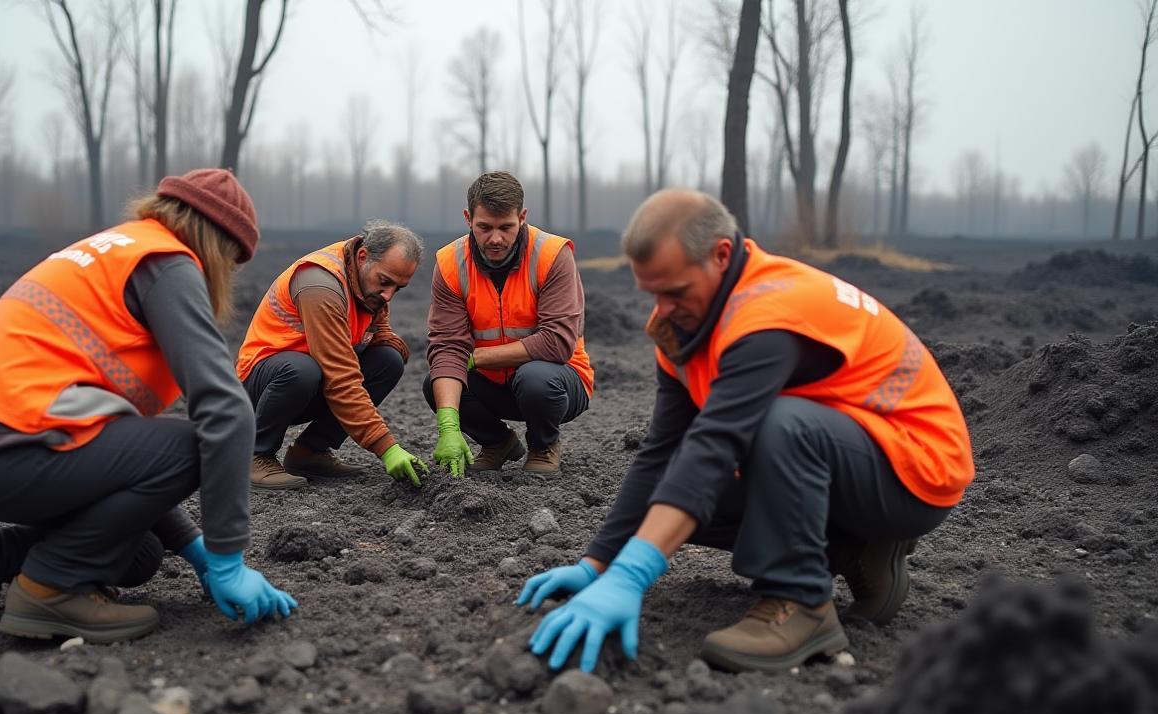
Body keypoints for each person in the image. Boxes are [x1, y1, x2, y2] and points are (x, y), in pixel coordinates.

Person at [519, 189, 974, 674]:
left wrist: (634, 574)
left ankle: (800, 603)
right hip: (845, 461)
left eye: (675, 291)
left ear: (721, 254)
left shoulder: (767, 313)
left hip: (916, 473)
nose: (663, 309)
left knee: (779, 425)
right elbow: (663, 452)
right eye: (652, 293)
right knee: (683, 488)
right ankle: (854, 547)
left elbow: (715, 444)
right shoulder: (683, 328)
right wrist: (600, 564)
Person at [0, 169, 295, 644]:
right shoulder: (168, 263)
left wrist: (194, 549)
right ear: (219, 246)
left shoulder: (118, 248)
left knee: (141, 553)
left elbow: (130, 465)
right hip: (12, 449)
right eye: (231, 262)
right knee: (197, 443)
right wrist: (227, 559)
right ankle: (49, 589)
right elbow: (226, 412)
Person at [424, 171, 594, 477]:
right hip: (492, 384)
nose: (496, 239)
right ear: (468, 219)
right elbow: (447, 347)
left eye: (506, 227)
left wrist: (476, 358)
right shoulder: (450, 263)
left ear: (523, 217)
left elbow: (557, 342)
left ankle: (544, 445)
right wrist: (448, 425)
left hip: (558, 383)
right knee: (437, 383)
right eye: (484, 228)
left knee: (535, 379)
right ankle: (498, 443)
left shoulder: (552, 255)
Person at [236, 220, 428, 490]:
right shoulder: (320, 285)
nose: (388, 296)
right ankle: (256, 455)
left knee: (387, 361)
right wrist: (387, 448)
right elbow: (340, 376)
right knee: (302, 370)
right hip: (262, 384)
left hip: (308, 380)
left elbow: (379, 330)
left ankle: (309, 453)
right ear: (363, 257)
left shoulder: (365, 279)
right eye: (385, 282)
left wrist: (393, 343)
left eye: (398, 288)